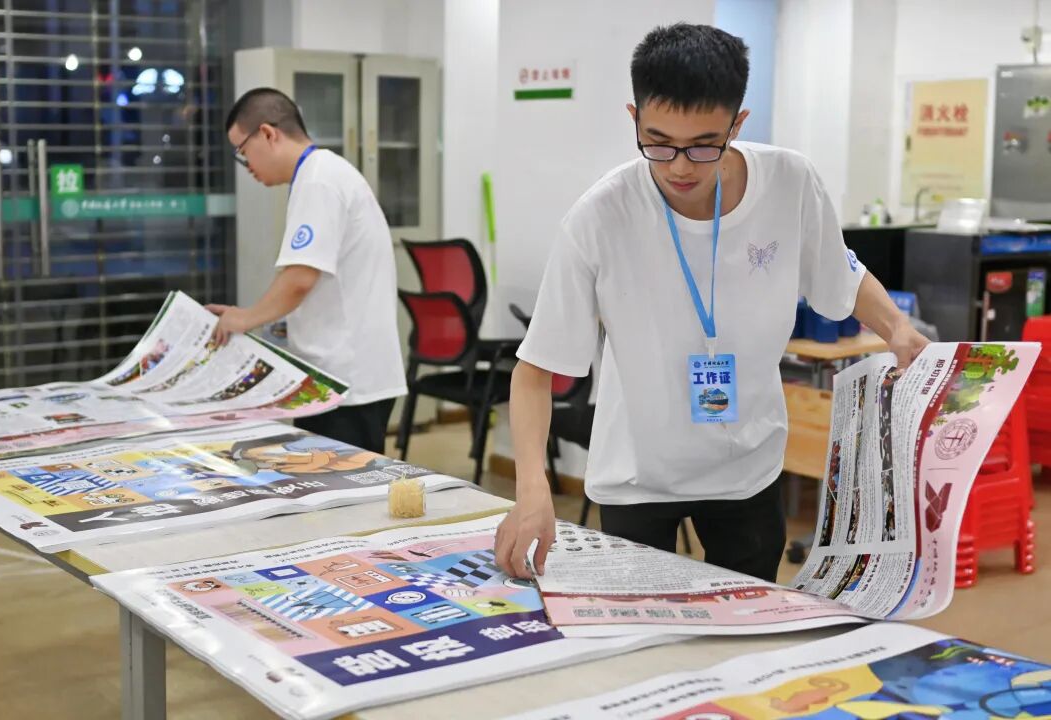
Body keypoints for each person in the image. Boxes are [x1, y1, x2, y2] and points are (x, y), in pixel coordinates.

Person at [494, 24, 928, 582]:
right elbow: (536, 370)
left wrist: (897, 329)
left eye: (703, 145)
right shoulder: (600, 217)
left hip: (748, 467)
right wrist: (533, 489)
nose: (679, 166)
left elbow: (840, 273)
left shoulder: (790, 183)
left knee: (749, 619)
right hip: (639, 474)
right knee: (637, 621)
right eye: (657, 143)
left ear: (737, 125)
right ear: (634, 119)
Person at [210, 88, 406, 453]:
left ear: (268, 134)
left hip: (348, 384)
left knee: (341, 485)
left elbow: (299, 279)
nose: (246, 165)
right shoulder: (319, 175)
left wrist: (244, 318)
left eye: (242, 152)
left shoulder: (318, 181)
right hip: (338, 378)